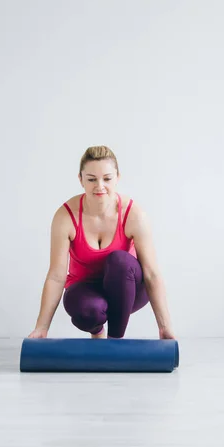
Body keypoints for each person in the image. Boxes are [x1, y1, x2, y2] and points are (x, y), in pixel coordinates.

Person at [28, 145, 176, 340]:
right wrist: (41, 327)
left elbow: (151, 273)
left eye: (107, 179)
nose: (100, 186)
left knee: (120, 262)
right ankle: (98, 332)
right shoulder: (65, 217)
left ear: (117, 178)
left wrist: (164, 327)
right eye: (91, 179)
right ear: (80, 179)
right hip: (86, 291)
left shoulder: (134, 215)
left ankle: (115, 341)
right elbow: (56, 276)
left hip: (127, 288)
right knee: (88, 310)